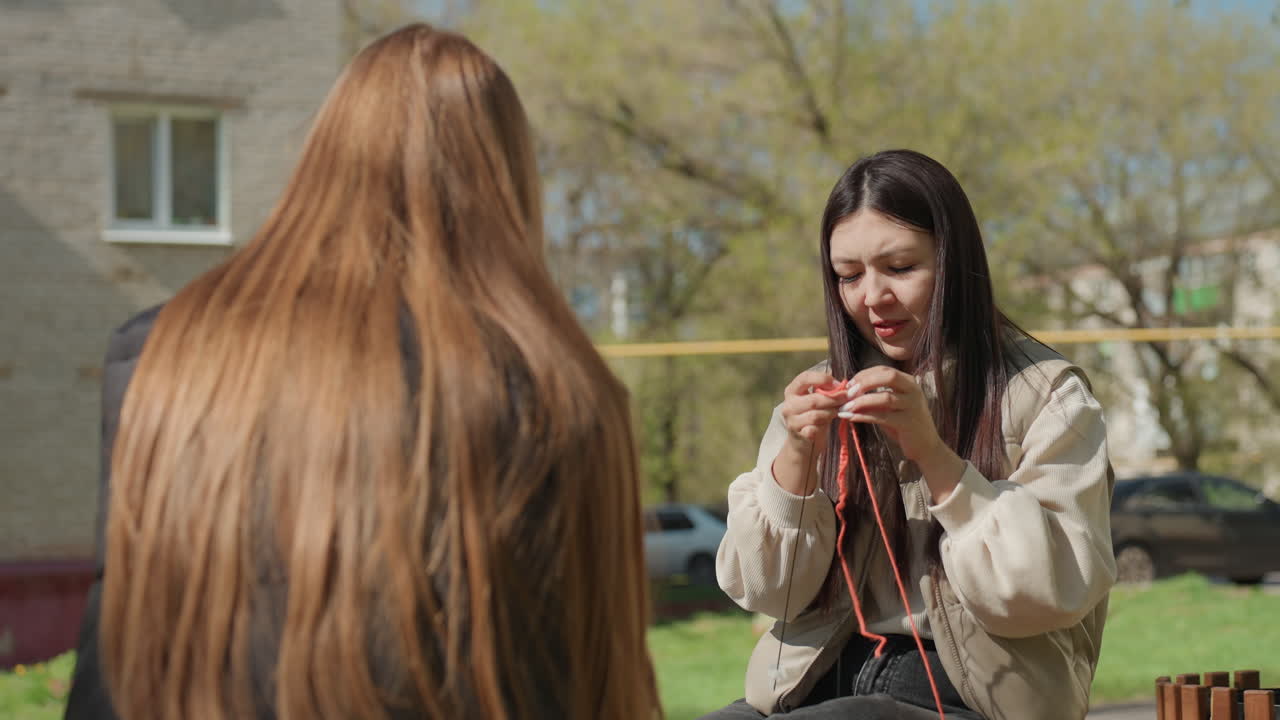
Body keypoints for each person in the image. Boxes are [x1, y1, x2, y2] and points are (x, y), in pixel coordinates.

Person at [63, 23, 660, 720]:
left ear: (327, 151)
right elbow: (577, 678)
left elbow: (114, 642)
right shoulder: (556, 385)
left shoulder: (163, 349)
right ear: (505, 176)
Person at [702, 149, 1116, 720]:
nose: (871, 297)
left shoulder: (1047, 395)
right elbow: (774, 595)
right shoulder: (820, 395)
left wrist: (931, 452)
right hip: (817, 682)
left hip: (975, 698)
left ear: (955, 263)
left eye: (899, 268)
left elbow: (1043, 593)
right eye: (848, 275)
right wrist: (796, 460)